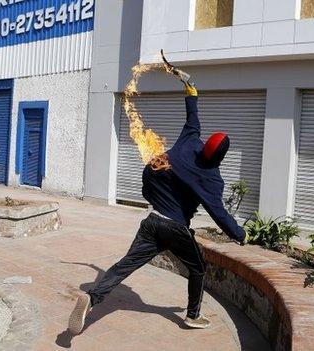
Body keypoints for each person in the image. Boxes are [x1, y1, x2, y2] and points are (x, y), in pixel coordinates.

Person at [68, 83, 248, 335]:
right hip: (175, 228)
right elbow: (219, 213)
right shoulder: (212, 180)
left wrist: (192, 94)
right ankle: (192, 316)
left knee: (126, 264)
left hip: (153, 221)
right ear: (221, 158)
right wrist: (240, 235)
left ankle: (93, 297)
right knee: (198, 269)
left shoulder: (190, 141)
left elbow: (193, 118)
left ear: (204, 143)